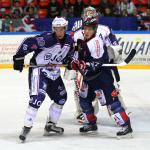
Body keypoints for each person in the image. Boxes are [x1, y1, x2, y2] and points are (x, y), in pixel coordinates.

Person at [13, 17, 75, 142]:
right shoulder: (47, 39)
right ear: (54, 29)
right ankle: (26, 127)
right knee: (37, 99)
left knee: (61, 98)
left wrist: (69, 61)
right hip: (39, 70)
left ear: (65, 28)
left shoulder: (69, 41)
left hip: (54, 73)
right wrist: (18, 57)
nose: (59, 31)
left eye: (61, 29)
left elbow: (71, 54)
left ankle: (51, 125)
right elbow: (28, 42)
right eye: (56, 29)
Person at [68, 16, 133, 136]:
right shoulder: (80, 41)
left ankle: (126, 125)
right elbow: (76, 54)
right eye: (85, 29)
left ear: (94, 30)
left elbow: (97, 63)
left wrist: (83, 64)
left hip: (101, 77)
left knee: (111, 102)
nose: (87, 31)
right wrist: (73, 61)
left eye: (90, 29)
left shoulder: (96, 42)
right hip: (88, 78)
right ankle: (91, 123)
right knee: (84, 101)